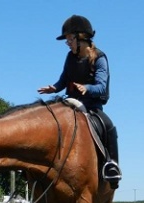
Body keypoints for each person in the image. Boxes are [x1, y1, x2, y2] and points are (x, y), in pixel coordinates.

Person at [37, 14, 122, 189]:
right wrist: (54, 88)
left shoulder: (99, 58)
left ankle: (112, 166)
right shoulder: (70, 57)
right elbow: (63, 80)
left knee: (109, 126)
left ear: (80, 38)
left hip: (91, 106)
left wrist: (87, 88)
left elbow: (101, 86)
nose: (67, 43)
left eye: (69, 39)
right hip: (70, 103)